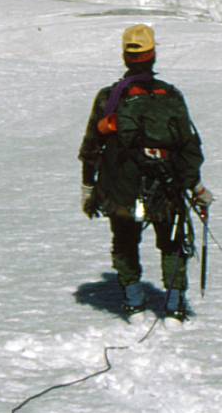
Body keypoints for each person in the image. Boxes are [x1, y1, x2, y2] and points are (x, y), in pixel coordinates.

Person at [78, 23, 213, 319]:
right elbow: (188, 146)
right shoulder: (171, 95)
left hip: (121, 183)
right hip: (166, 183)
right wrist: (196, 187)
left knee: (125, 240)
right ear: (153, 56)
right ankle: (175, 304)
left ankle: (133, 301)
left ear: (125, 57)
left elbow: (91, 147)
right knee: (173, 241)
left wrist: (89, 188)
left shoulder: (109, 97)